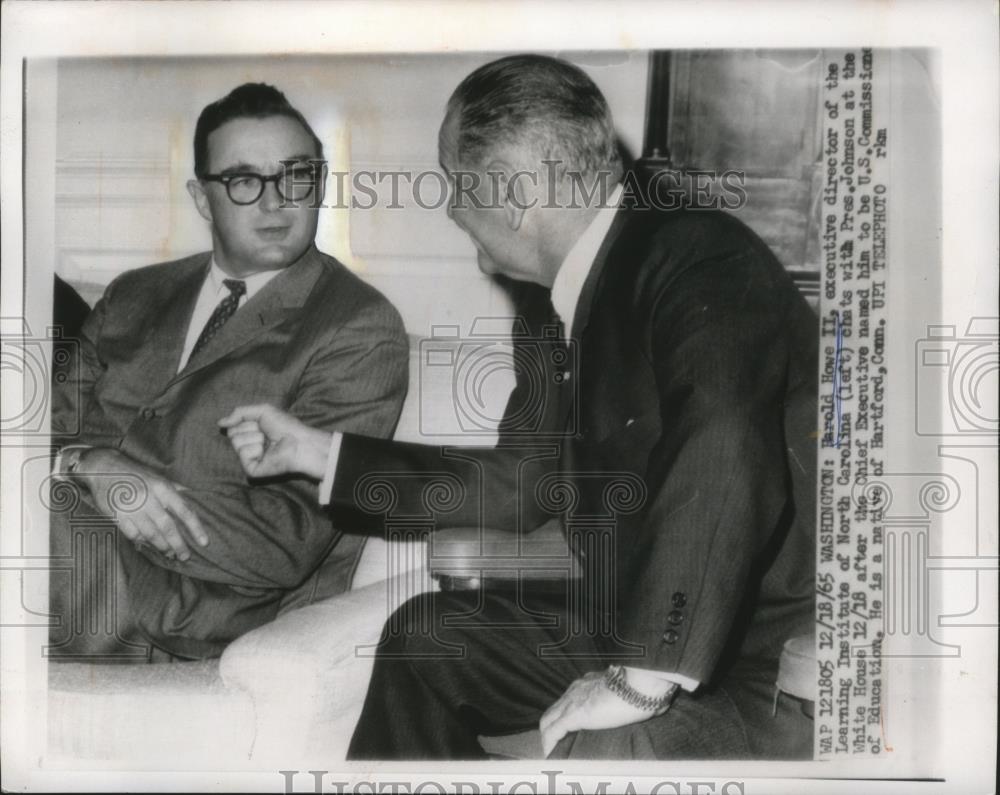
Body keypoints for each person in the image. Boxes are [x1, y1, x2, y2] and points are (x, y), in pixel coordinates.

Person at [221, 55, 818, 759]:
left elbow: (722, 443)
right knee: (426, 639)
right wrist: (325, 454)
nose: (447, 210)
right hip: (619, 622)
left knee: (609, 743)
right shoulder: (550, 302)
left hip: (760, 658)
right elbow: (519, 485)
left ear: (507, 195)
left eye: (453, 184)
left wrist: (637, 679)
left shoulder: (699, 258)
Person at [48, 82, 409, 661]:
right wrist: (88, 464)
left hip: (194, 613)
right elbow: (38, 430)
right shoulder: (135, 295)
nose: (276, 202)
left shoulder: (359, 326)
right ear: (200, 197)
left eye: (296, 175)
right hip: (66, 566)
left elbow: (288, 538)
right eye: (244, 180)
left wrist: (121, 498)